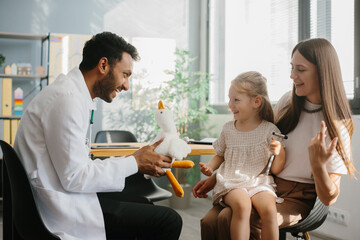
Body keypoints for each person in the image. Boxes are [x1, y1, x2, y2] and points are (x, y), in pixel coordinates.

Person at [14, 32, 182, 240]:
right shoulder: (67, 100)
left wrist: (135, 162)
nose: (126, 85)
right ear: (103, 65)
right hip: (59, 209)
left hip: (63, 194)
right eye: (125, 74)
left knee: (140, 202)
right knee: (169, 220)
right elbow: (75, 177)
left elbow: (76, 168)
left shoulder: (73, 94)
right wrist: (135, 162)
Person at [193, 38, 355, 240]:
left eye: (300, 69)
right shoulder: (289, 101)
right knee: (209, 221)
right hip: (263, 181)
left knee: (228, 216)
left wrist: (318, 165)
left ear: (322, 72)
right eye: (291, 67)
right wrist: (217, 178)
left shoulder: (337, 124)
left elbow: (330, 197)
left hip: (299, 196)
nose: (292, 75)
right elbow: (252, 143)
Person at [198, 71, 286, 240]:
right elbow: (220, 155)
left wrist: (279, 151)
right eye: (229, 99)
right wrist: (210, 166)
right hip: (232, 182)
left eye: (236, 100)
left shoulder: (270, 130)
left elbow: (276, 168)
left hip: (259, 182)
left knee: (269, 211)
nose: (230, 104)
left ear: (256, 101)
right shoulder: (228, 129)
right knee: (243, 205)